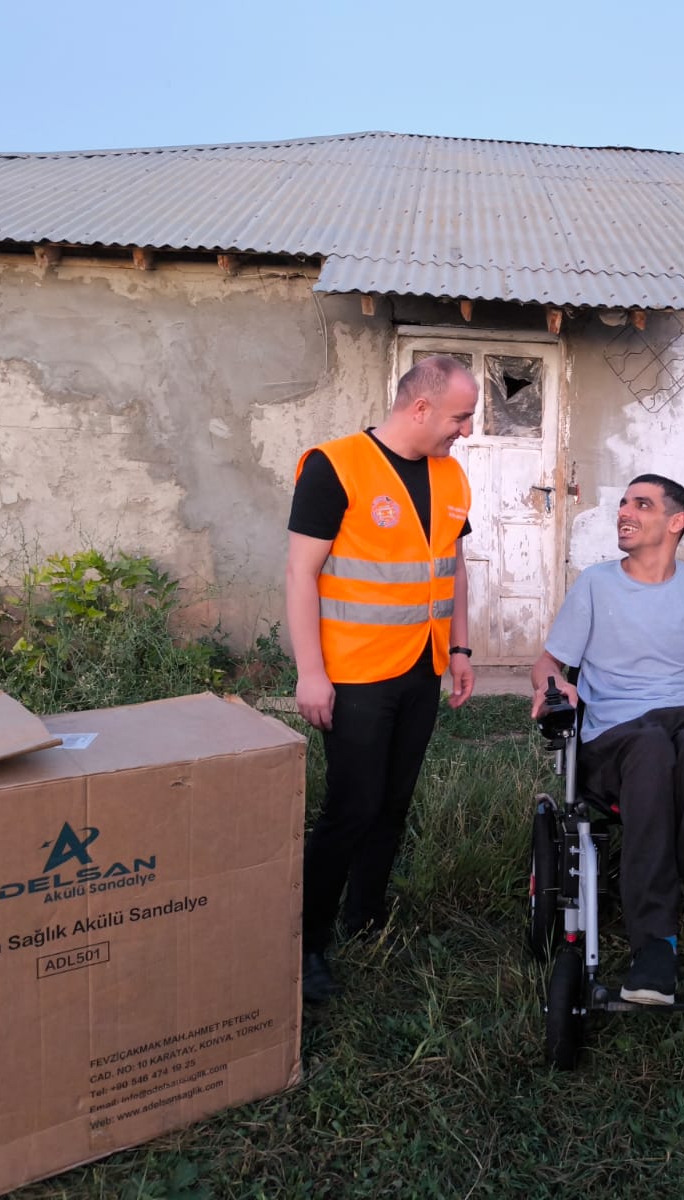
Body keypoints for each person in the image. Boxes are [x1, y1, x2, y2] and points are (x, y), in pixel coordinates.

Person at [529, 474, 684, 1007]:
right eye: (622, 502)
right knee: (653, 747)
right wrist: (551, 687)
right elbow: (550, 661)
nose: (625, 511)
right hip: (617, 740)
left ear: (675, 522)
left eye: (641, 504)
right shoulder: (595, 585)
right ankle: (655, 945)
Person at [287, 355, 479, 1004]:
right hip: (354, 675)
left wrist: (460, 647)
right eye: (461, 416)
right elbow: (299, 575)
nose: (467, 431)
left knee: (394, 806)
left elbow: (452, 562)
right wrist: (310, 672)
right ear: (419, 408)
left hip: (420, 669)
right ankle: (306, 944)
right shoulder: (334, 466)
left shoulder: (451, 477)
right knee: (351, 808)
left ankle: (363, 919)